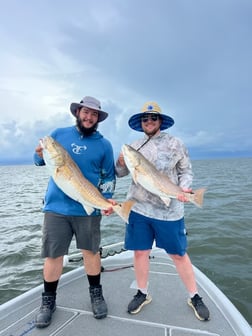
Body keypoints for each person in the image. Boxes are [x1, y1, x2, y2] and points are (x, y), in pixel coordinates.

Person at [115, 101, 210, 321]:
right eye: (145, 119)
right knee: (139, 252)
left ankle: (194, 296)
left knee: (178, 254)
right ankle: (142, 293)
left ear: (160, 121)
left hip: (169, 211)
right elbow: (120, 173)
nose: (149, 122)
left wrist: (185, 189)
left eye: (153, 118)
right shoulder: (134, 146)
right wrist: (120, 162)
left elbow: (186, 170)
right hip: (138, 208)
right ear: (141, 123)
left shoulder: (176, 143)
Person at [33, 96, 116, 328]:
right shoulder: (59, 134)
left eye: (94, 114)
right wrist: (40, 153)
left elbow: (108, 176)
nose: (89, 117)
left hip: (88, 207)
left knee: (91, 252)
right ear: (77, 112)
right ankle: (48, 302)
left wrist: (107, 200)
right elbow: (39, 161)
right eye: (85, 112)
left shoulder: (105, 145)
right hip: (56, 207)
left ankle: (96, 294)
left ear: (98, 118)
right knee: (53, 255)